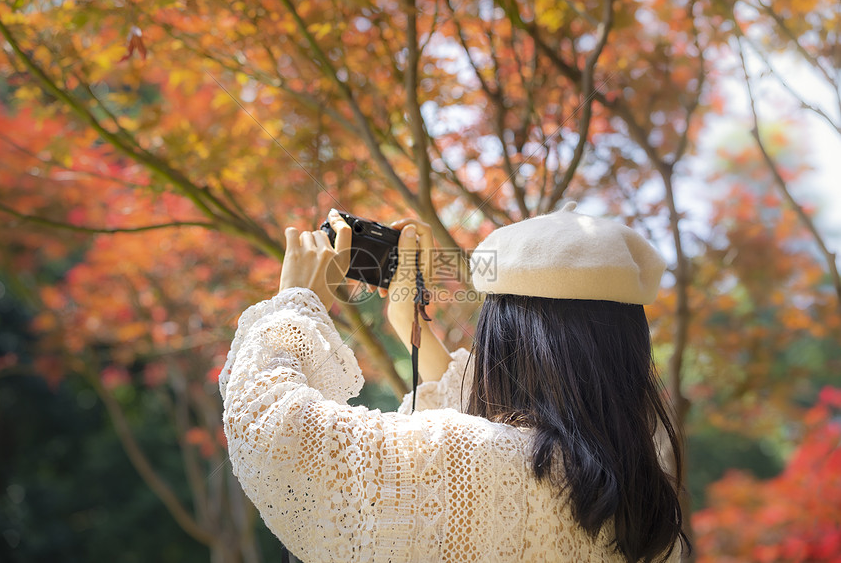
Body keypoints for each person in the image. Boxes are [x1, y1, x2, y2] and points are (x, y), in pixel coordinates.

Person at [218, 203, 690, 562]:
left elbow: (276, 428)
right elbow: (490, 422)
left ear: (505, 334)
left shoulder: (477, 461)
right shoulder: (643, 496)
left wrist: (295, 303)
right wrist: (408, 321)